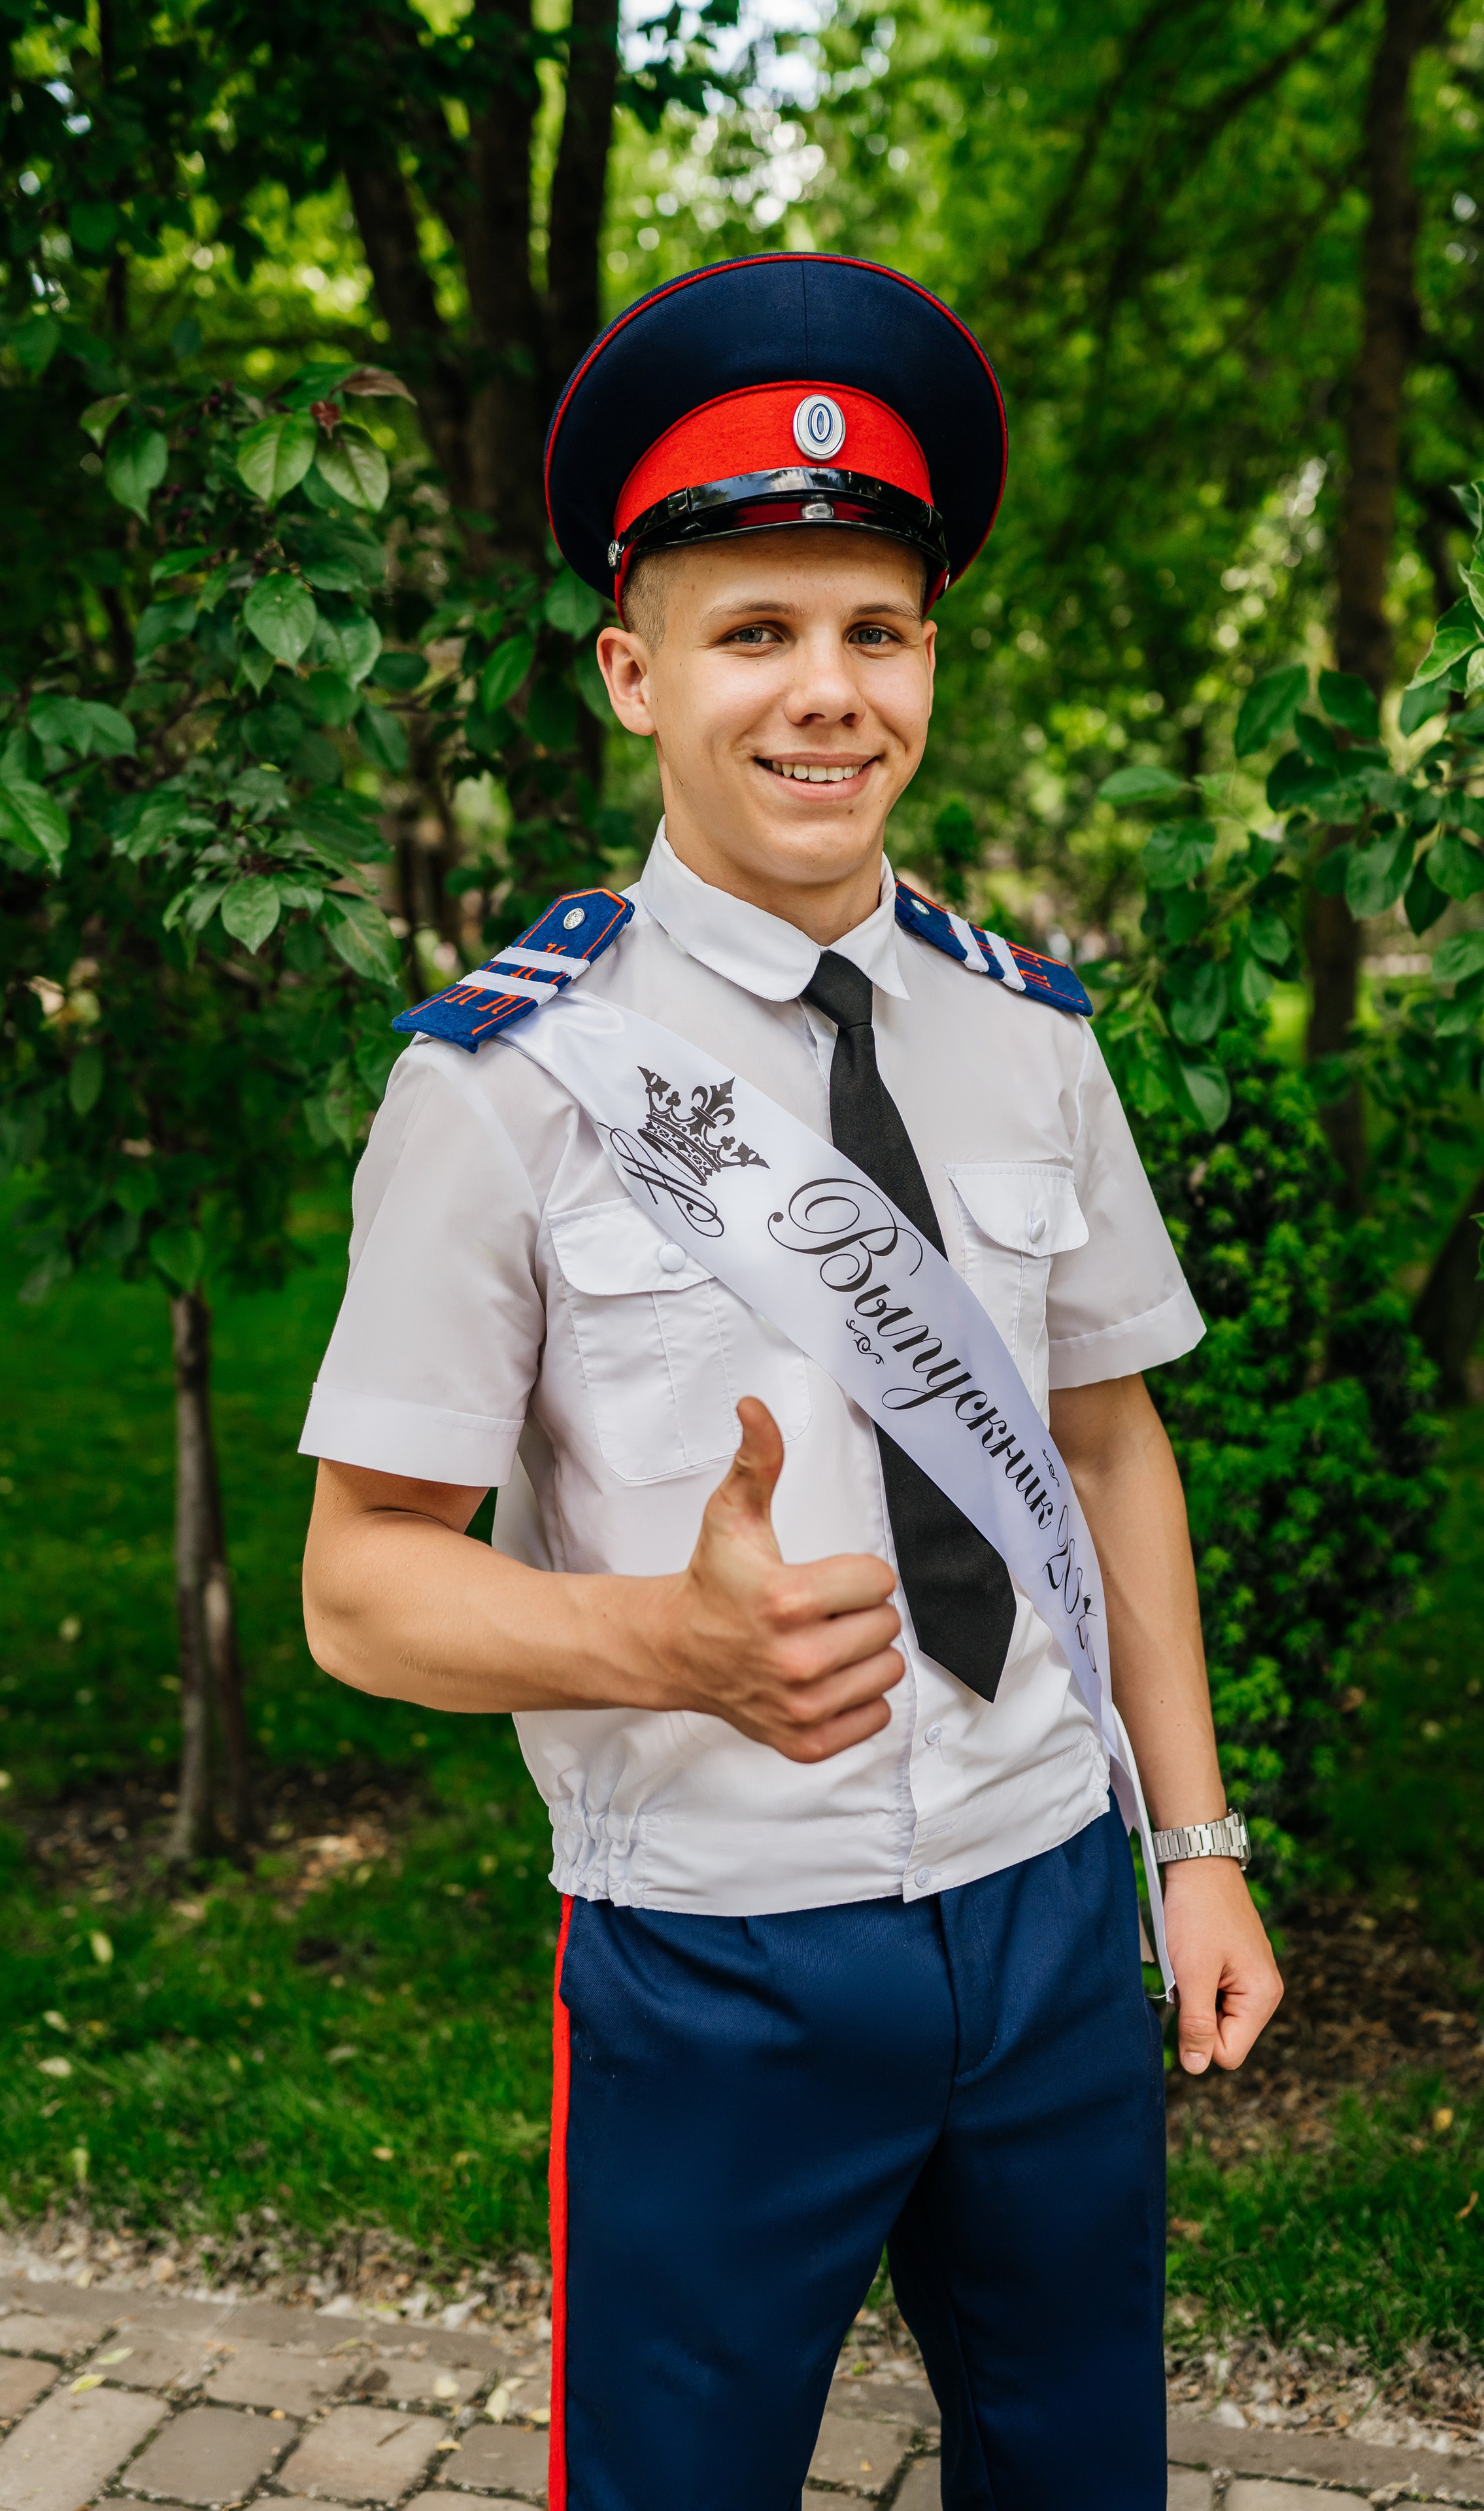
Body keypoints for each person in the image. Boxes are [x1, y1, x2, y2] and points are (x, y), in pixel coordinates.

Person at [299, 252, 1282, 2509]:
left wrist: (1194, 1848)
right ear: (638, 672)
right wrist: (662, 1639)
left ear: (930, 657)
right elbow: (362, 1586)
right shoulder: (512, 1088)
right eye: (757, 634)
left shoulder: (1027, 1036)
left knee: (1078, 2473)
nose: (824, 697)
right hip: (720, 1965)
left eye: (875, 631)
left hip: (1051, 1919)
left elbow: (1113, 1440)